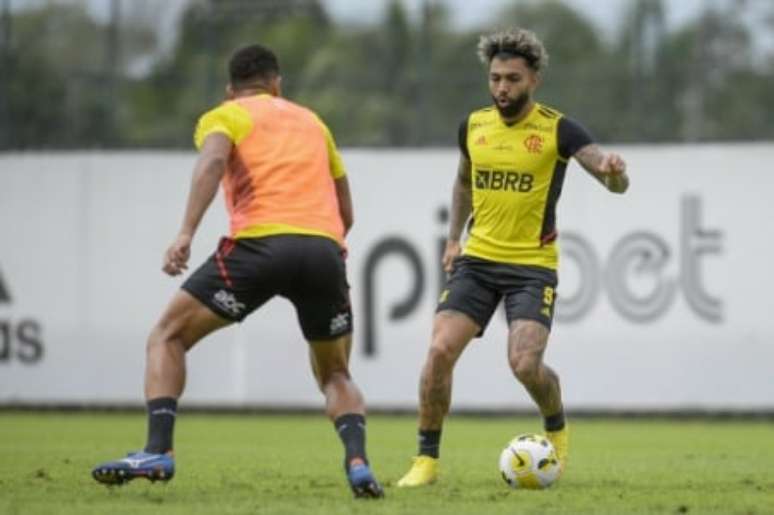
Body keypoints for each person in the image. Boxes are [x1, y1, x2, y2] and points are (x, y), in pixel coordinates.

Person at [91, 44, 384, 499]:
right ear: (277, 83)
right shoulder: (313, 122)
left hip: (260, 246)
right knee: (335, 374)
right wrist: (318, 245)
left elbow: (211, 162)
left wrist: (186, 231)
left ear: (232, 90)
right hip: (325, 250)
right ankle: (359, 461)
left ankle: (158, 450)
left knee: (167, 336)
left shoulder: (225, 116)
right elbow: (347, 210)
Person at [396, 28, 629, 487]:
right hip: (477, 262)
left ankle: (556, 429)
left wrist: (613, 172)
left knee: (524, 365)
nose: (502, 88)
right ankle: (426, 460)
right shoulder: (474, 126)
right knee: (439, 351)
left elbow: (605, 171)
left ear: (534, 80)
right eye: (496, 78)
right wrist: (452, 238)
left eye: (513, 79)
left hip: (531, 268)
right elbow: (464, 182)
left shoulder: (558, 128)